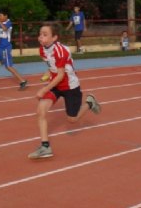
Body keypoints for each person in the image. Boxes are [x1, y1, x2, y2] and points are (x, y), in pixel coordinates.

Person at [28, 23, 101, 160]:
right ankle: (45, 147)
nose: (40, 37)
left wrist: (44, 89)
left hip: (70, 86)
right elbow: (52, 66)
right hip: (55, 85)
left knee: (72, 120)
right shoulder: (42, 50)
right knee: (41, 110)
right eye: (40, 34)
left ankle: (90, 103)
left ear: (54, 37)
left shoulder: (60, 51)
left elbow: (61, 75)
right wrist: (48, 73)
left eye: (45, 34)